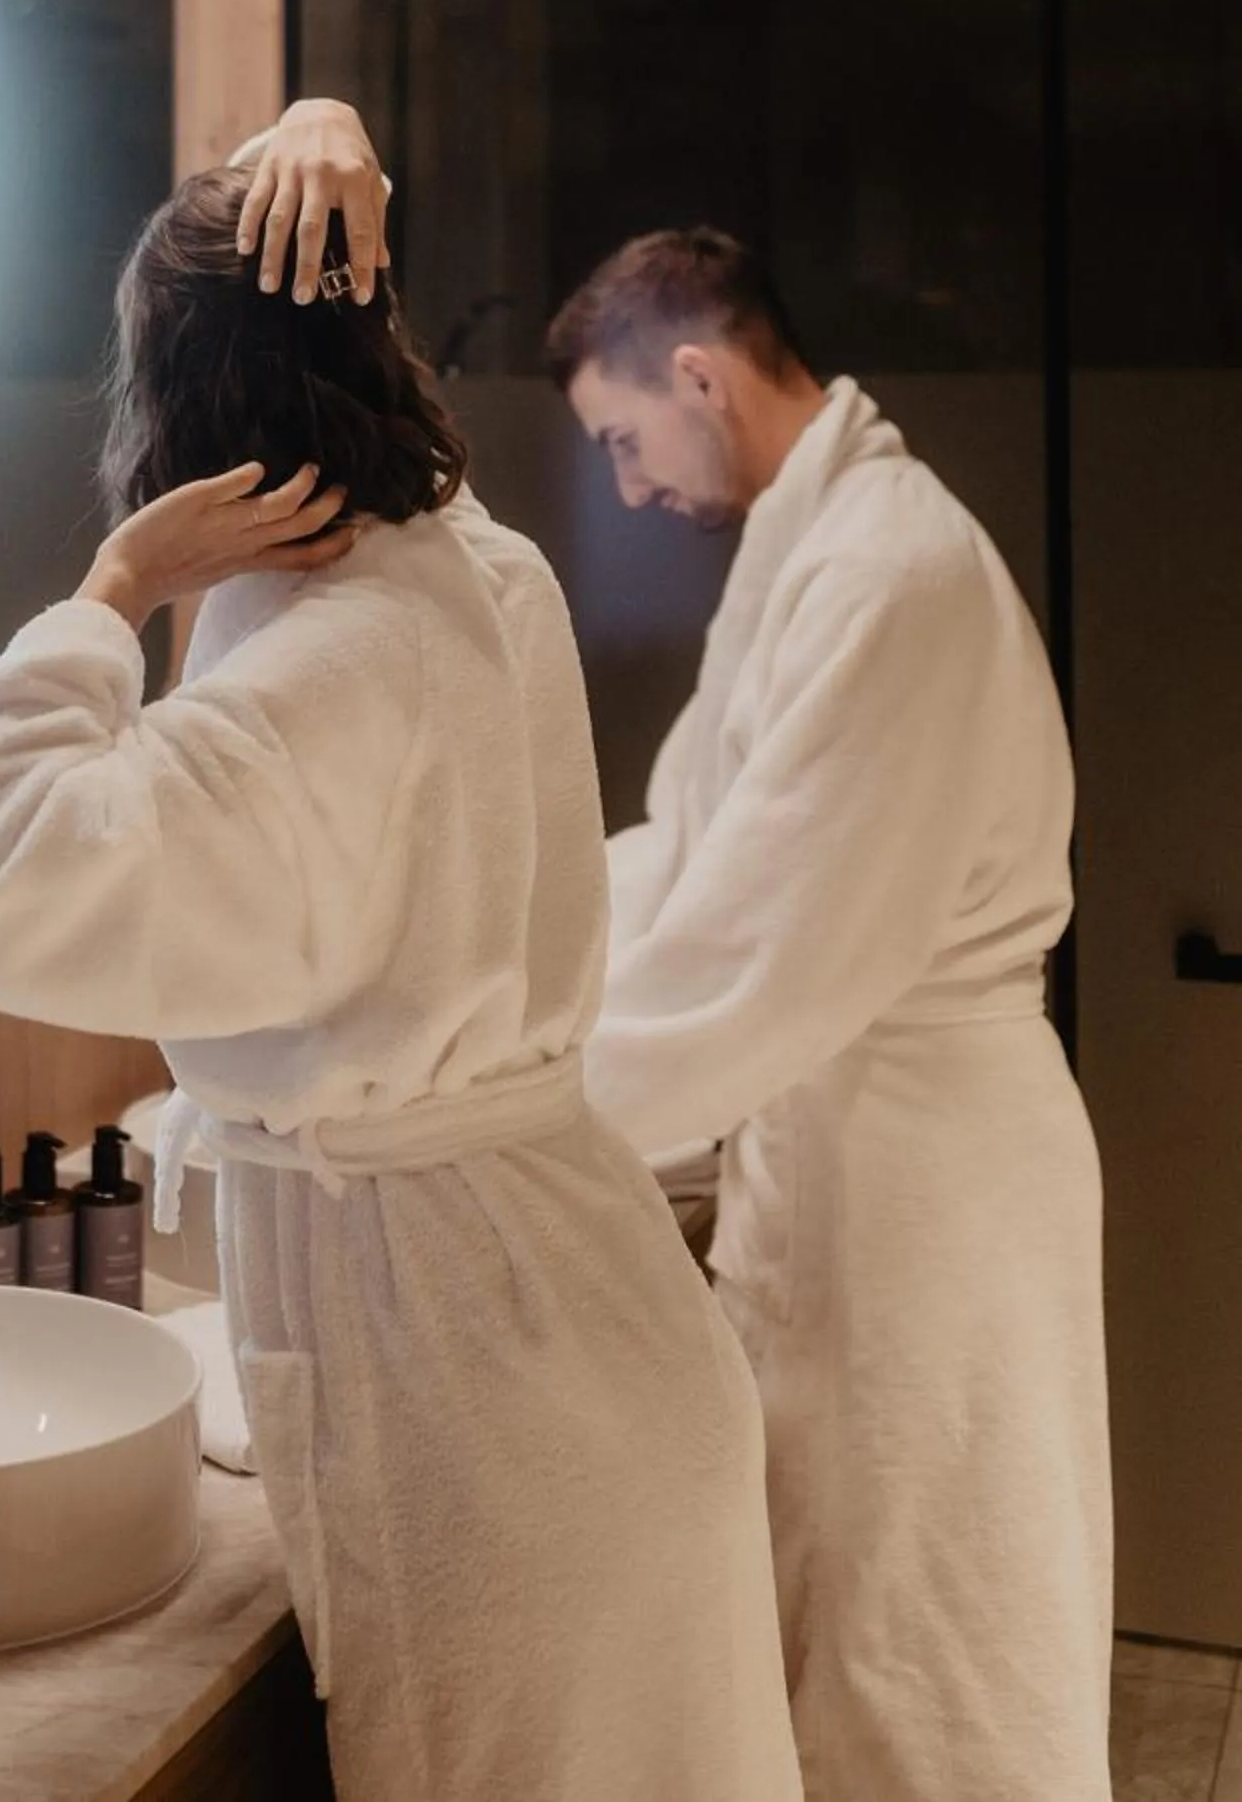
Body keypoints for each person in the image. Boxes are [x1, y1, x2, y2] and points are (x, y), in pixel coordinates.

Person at [235, 100, 1113, 1802]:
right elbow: (686, 855)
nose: (631, 487)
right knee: (846, 1628)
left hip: (931, 1186)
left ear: (701, 375)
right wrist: (486, 955)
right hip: (847, 1151)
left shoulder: (894, 575)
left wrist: (493, 1127)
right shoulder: (817, 558)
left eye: (628, 442)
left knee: (926, 1648)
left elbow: (756, 951)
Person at [0, 168, 802, 1802]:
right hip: (596, 1332)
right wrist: (313, 163)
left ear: (177, 405)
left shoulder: (314, 684)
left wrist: (118, 585)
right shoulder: (470, 571)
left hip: (476, 1391)